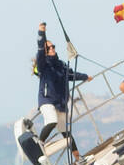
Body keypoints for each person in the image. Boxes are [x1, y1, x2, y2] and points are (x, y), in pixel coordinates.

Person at [34, 23, 89, 155]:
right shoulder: (43, 65)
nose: (52, 48)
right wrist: (42, 33)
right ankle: (39, 144)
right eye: (49, 47)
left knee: (66, 133)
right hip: (47, 101)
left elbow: (71, 75)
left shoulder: (61, 65)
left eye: (53, 46)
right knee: (52, 120)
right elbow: (40, 51)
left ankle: (78, 158)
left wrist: (86, 77)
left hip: (60, 104)